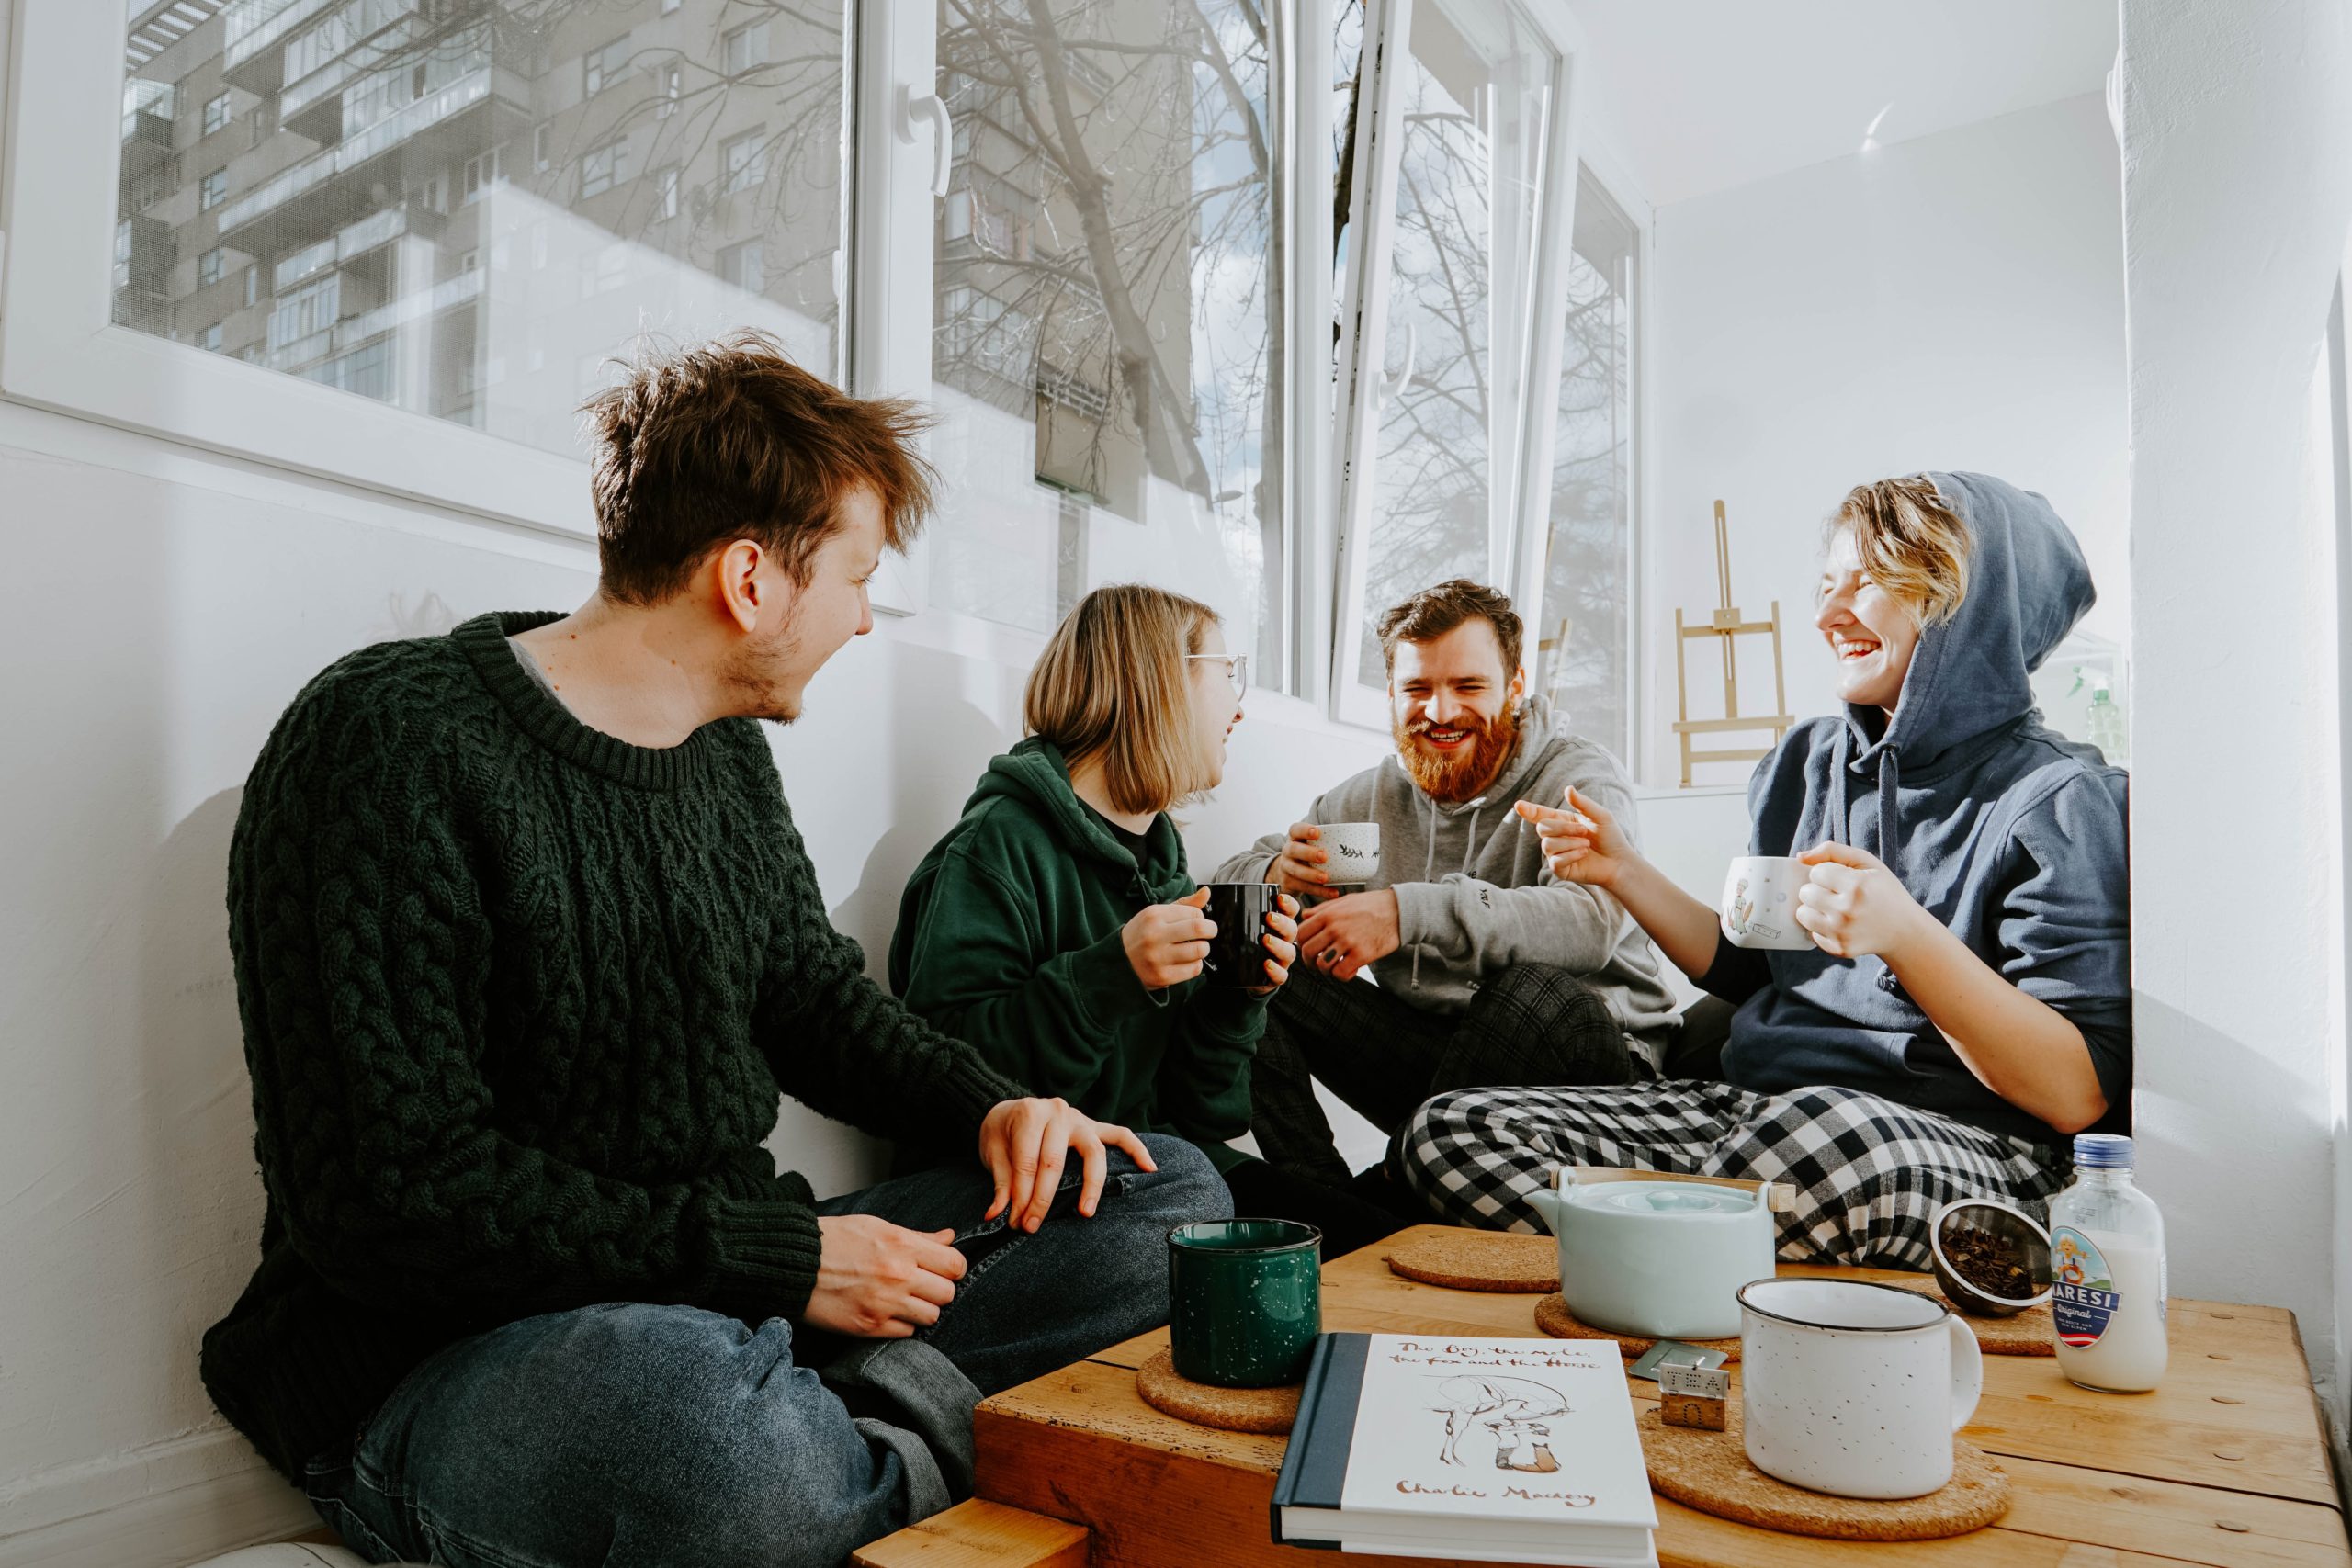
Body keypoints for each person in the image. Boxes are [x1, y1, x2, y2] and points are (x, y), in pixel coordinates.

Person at [198, 333, 1229, 1568]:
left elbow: (812, 1000)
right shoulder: (384, 745)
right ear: (750, 577)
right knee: (712, 1441)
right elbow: (389, 1197)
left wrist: (998, 1102)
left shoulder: (727, 755)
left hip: (726, 1286)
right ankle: (871, 1436)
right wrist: (784, 1262)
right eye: (855, 575)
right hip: (450, 1351)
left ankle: (853, 1435)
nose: (862, 618)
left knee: (1164, 1194)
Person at [1404, 473, 2131, 1268]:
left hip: (1955, 1146)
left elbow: (2076, 1093)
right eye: (1826, 585)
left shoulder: (2058, 800)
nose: (1826, 615)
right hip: (1757, 1118)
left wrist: (1903, 933)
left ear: (1971, 606)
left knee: (1831, 1142)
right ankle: (1694, 1255)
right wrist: (1624, 872)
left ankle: (1647, 1248)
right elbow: (1754, 970)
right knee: (1452, 1130)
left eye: (1870, 582)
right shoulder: (1807, 764)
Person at [890, 584, 1408, 1258]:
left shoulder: (1163, 867)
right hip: (1024, 1191)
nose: (1240, 707)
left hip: (1154, 1169)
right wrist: (1111, 974)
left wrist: (1236, 1002)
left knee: (1384, 1250)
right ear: (1160, 684)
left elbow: (1205, 1116)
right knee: (1338, 1258)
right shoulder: (996, 848)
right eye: (1227, 674)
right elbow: (942, 1082)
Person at [1213, 580, 1679, 1193]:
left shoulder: (1577, 776)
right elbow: (1229, 883)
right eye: (1417, 688)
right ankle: (1326, 1207)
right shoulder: (1369, 799)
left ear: (1515, 686)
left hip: (1594, 1075)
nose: (1439, 711)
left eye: (1467, 686)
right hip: (1446, 1068)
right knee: (1259, 957)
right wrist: (1279, 875)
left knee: (1530, 990)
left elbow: (1588, 925)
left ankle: (1390, 1197)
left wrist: (1408, 913)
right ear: (1390, 694)